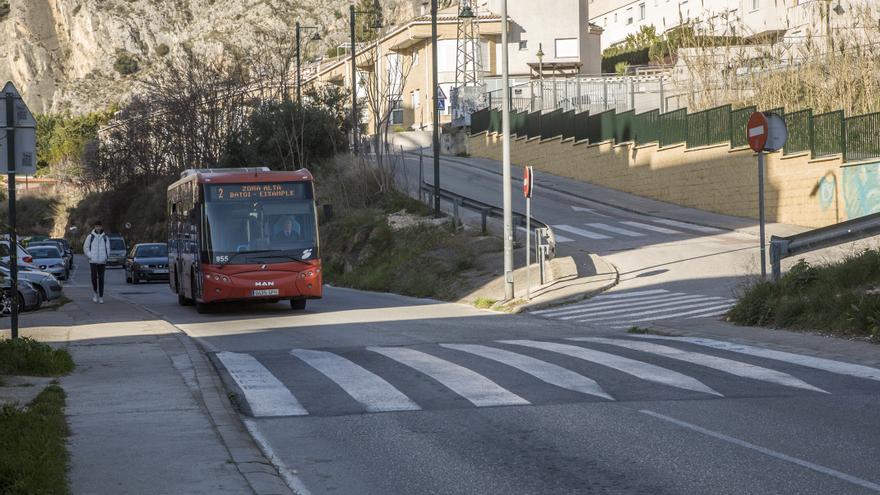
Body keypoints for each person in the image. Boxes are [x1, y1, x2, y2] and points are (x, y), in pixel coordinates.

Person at [83, 221, 110, 304]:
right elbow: (85, 247)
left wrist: (106, 257)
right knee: (94, 277)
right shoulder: (90, 237)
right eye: (96, 226)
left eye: (99, 226)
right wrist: (90, 255)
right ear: (94, 227)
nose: (98, 228)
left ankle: (101, 297)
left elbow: (108, 248)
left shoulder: (105, 237)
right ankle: (95, 293)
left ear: (101, 227)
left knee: (101, 279)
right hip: (93, 261)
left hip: (102, 261)